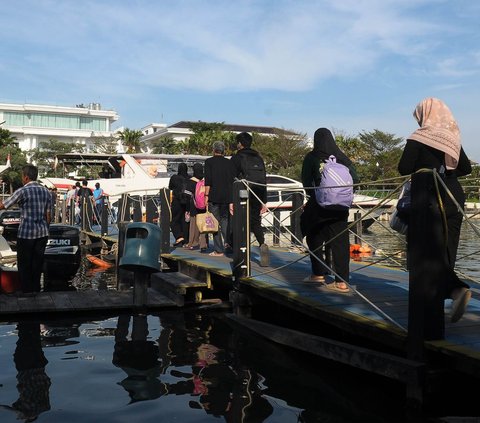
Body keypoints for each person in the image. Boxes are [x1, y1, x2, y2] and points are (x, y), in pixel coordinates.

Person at [398, 97, 472, 322]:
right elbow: (466, 168)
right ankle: (439, 305)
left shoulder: (419, 137)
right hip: (454, 195)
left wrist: (429, 172)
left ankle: (455, 290)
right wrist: (445, 174)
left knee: (428, 251)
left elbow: (404, 168)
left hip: (429, 197)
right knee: (447, 250)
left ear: (424, 115)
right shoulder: (451, 138)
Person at [300, 128, 357, 293]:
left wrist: (316, 194)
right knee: (340, 240)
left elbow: (306, 182)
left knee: (313, 233)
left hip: (320, 204)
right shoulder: (342, 158)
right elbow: (356, 178)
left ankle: (318, 274)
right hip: (341, 206)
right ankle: (341, 282)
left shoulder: (312, 157)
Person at [0, 164, 52, 294]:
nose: (22, 179)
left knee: (24, 265)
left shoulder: (22, 191)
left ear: (26, 177)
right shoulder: (46, 191)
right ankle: (36, 291)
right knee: (37, 264)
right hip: (42, 233)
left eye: (22, 176)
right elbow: (49, 217)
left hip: (26, 234)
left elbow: (3, 205)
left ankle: (26, 292)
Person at [230, 132, 269, 263]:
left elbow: (232, 179)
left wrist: (231, 201)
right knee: (255, 222)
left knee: (241, 222)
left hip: (242, 194)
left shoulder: (237, 157)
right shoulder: (258, 157)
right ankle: (263, 244)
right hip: (257, 193)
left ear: (240, 143)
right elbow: (263, 180)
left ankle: (243, 253)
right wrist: (264, 201)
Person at [204, 141, 235, 257]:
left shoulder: (209, 162)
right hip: (227, 197)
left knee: (214, 223)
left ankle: (218, 250)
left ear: (213, 150)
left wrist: (206, 196)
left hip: (214, 196)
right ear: (223, 151)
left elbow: (208, 181)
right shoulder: (229, 163)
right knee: (225, 221)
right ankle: (228, 244)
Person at [185, 162, 208, 252]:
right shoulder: (205, 180)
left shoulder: (191, 181)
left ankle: (192, 243)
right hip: (204, 206)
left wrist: (187, 209)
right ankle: (203, 244)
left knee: (193, 226)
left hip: (194, 206)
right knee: (203, 225)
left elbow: (187, 195)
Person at [169, 162, 190, 247]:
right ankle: (185, 239)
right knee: (185, 220)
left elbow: (170, 187)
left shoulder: (174, 177)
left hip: (177, 201)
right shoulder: (189, 178)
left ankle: (179, 237)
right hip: (187, 201)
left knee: (174, 220)